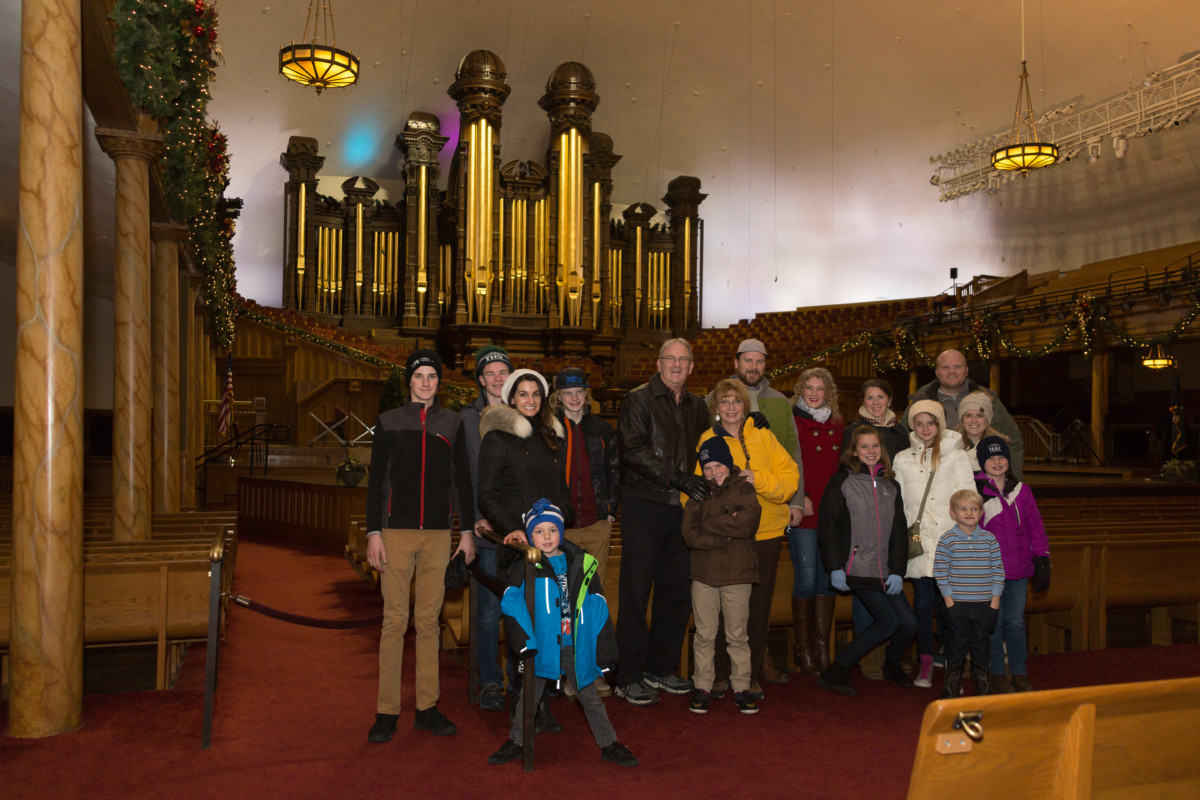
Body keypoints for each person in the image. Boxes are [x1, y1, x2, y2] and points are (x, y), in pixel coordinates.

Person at [364, 349, 476, 743]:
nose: (425, 382)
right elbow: (378, 480)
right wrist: (373, 532)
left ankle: (427, 707)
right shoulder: (389, 422)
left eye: (432, 376)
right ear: (408, 380)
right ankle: (386, 711)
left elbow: (462, 481)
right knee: (394, 621)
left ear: (438, 382)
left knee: (429, 622)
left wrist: (465, 533)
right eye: (419, 376)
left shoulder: (453, 422)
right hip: (396, 531)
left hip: (438, 534)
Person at [487, 499, 638, 768]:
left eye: (553, 530)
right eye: (539, 531)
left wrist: (603, 649)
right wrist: (525, 642)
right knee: (528, 698)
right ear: (530, 535)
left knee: (590, 697)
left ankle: (609, 743)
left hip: (573, 644)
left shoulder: (581, 563)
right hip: (542, 645)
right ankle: (517, 740)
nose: (547, 537)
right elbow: (512, 601)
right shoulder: (526, 564)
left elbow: (597, 606)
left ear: (561, 531)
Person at [614, 338, 711, 705]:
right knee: (636, 593)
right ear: (658, 363)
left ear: (691, 367)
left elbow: (713, 445)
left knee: (676, 593)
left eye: (682, 360)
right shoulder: (638, 400)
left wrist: (752, 421)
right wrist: (676, 478)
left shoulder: (699, 406)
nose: (675, 365)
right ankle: (628, 675)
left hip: (683, 508)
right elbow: (634, 451)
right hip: (645, 504)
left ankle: (661, 668)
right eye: (669, 358)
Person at [477, 368, 575, 728]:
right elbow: (486, 496)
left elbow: (560, 492)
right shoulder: (498, 438)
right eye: (523, 394)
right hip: (519, 548)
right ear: (510, 399)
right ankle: (523, 704)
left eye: (536, 394)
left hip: (551, 544)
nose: (530, 400)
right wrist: (515, 529)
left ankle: (543, 703)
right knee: (526, 630)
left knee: (551, 627)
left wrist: (564, 515)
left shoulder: (550, 438)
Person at [706, 338, 805, 686]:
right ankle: (721, 672)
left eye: (759, 361)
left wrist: (788, 495)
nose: (731, 406)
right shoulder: (709, 436)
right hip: (728, 531)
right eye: (725, 402)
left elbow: (791, 465)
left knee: (760, 603)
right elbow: (700, 485)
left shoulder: (772, 414)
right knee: (725, 603)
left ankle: (752, 668)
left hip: (767, 525)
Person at [816, 425, 916, 696]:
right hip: (856, 566)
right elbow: (829, 529)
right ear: (854, 451)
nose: (870, 451)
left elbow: (898, 531)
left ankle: (891, 663)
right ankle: (837, 669)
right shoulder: (842, 481)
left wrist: (898, 570)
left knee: (909, 623)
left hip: (885, 569)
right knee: (887, 622)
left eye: (874, 446)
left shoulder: (890, 485)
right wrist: (835, 567)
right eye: (864, 447)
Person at [893, 399, 976, 690]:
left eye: (931, 422)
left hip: (948, 544)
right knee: (923, 606)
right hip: (920, 545)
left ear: (939, 424)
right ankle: (926, 663)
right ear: (912, 426)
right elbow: (899, 504)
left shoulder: (956, 456)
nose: (925, 428)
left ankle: (954, 667)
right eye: (919, 423)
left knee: (950, 608)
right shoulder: (902, 458)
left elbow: (969, 499)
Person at [681, 436, 762, 715]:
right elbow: (689, 535)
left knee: (737, 635)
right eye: (708, 468)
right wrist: (723, 535)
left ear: (728, 464)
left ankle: (741, 688)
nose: (714, 473)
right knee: (704, 634)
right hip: (704, 574)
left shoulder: (744, 489)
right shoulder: (697, 493)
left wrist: (709, 524)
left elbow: (747, 524)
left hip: (737, 574)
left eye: (719, 466)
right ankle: (702, 685)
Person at [458, 344, 513, 712]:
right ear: (480, 380)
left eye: (502, 372)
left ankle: (526, 679)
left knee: (522, 613)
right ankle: (490, 681)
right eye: (490, 373)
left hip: (521, 533)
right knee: (489, 613)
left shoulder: (525, 410)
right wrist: (466, 525)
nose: (496, 378)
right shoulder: (466, 419)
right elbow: (461, 478)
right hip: (486, 532)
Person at [974, 436, 1051, 693]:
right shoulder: (976, 491)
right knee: (995, 623)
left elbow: (1035, 527)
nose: (997, 462)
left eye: (1002, 457)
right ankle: (998, 674)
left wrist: (1042, 558)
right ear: (982, 463)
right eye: (991, 458)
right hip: (991, 572)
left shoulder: (1021, 490)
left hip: (1019, 569)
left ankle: (1019, 671)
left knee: (1016, 622)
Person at [787, 367, 844, 678]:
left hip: (832, 512)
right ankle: (803, 647)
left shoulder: (838, 422)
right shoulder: (794, 420)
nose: (813, 392)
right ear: (801, 390)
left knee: (827, 581)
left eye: (820, 388)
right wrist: (801, 495)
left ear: (828, 392)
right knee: (807, 579)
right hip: (805, 509)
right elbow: (788, 462)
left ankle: (822, 648)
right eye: (808, 387)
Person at [902, 349, 1024, 478]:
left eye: (957, 366)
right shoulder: (920, 403)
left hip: (985, 480)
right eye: (945, 367)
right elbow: (902, 439)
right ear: (937, 372)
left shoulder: (988, 400)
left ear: (966, 370)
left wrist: (1014, 479)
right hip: (938, 480)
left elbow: (1013, 440)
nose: (952, 371)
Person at [550, 367, 619, 585]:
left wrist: (610, 510)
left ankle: (592, 621)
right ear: (559, 396)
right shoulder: (550, 430)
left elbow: (615, 471)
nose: (574, 398)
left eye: (579, 392)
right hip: (561, 526)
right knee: (563, 588)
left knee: (594, 588)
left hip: (596, 523)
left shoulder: (603, 429)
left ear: (586, 394)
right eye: (568, 393)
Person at [933, 489, 1004, 698]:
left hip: (984, 604)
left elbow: (998, 571)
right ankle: (951, 691)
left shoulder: (989, 539)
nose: (969, 513)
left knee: (982, 649)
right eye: (963, 509)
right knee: (957, 649)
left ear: (981, 513)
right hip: (957, 605)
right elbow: (940, 571)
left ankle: (983, 691)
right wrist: (949, 602)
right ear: (953, 513)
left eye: (974, 509)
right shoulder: (948, 539)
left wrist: (994, 602)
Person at [841, 378, 909, 461]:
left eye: (881, 397)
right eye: (870, 398)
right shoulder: (852, 431)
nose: (876, 402)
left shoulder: (900, 431)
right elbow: (845, 466)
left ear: (889, 400)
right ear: (863, 402)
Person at [954, 391, 1015, 474]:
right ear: (962, 419)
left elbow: (1012, 478)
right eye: (968, 415)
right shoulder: (950, 445)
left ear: (987, 419)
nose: (974, 420)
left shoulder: (1000, 445)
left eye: (980, 415)